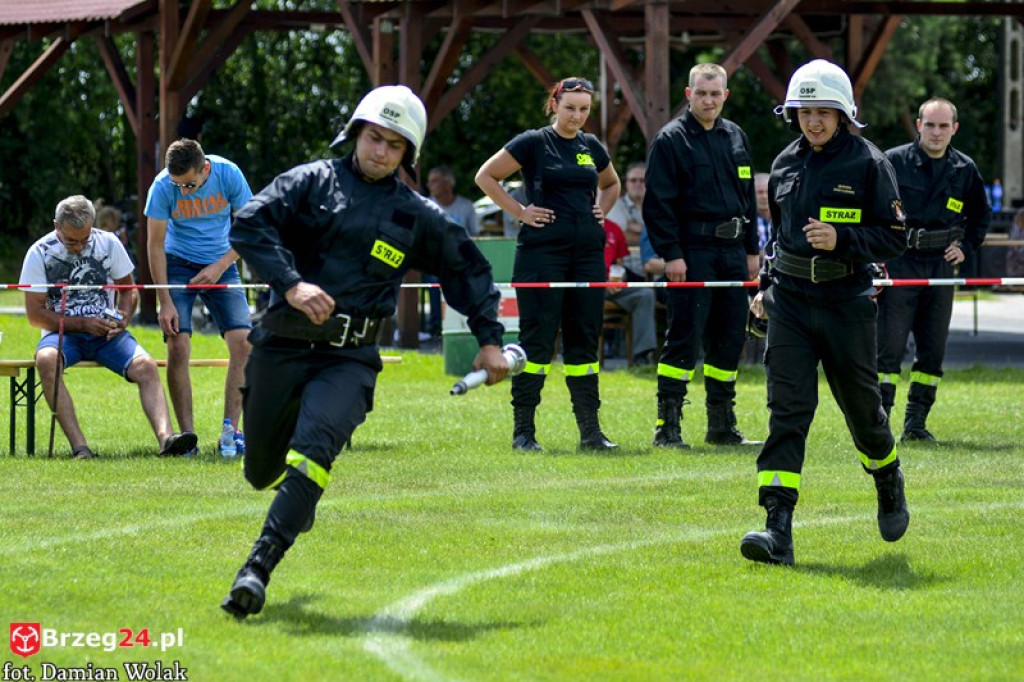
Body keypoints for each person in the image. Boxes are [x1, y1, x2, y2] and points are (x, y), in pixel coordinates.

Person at [220, 85, 509, 619]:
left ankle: (257, 567)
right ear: (355, 134)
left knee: (314, 454)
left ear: (408, 155)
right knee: (260, 472)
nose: (381, 151)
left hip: (348, 360)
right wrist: (291, 284)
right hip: (280, 345)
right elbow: (248, 224)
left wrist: (490, 340)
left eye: (395, 145)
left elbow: (468, 269)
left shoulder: (417, 215)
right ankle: (297, 497)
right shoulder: (308, 182)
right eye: (374, 138)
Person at [740, 59, 910, 566]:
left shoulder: (870, 163)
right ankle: (777, 529)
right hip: (790, 303)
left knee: (863, 412)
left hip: (845, 303)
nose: (813, 121)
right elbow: (778, 238)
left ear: (843, 114)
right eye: (804, 111)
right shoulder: (784, 163)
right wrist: (764, 288)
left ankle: (887, 477)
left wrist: (843, 239)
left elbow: (895, 238)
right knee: (786, 412)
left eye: (823, 112)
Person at [476, 75, 621, 452]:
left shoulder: (591, 145)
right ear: (555, 105)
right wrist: (520, 211)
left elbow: (612, 184)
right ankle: (524, 432)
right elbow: (485, 176)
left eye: (584, 109)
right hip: (541, 255)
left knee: (584, 340)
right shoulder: (533, 142)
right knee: (537, 342)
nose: (577, 116)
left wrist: (601, 210)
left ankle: (591, 432)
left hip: (587, 256)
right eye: (570, 108)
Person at [18, 195, 197, 459]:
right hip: (63, 334)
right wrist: (82, 324)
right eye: (71, 241)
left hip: (107, 334)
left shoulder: (109, 242)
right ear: (56, 226)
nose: (79, 247)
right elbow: (35, 315)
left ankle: (167, 440)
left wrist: (122, 318)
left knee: (146, 366)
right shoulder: (39, 253)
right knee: (46, 360)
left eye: (85, 239)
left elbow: (128, 289)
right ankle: (80, 448)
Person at [643, 63, 761, 449]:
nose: (708, 100)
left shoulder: (736, 136)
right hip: (692, 253)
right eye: (701, 93)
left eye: (715, 94)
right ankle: (667, 428)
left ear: (725, 95)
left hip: (733, 252)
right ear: (688, 95)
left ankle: (721, 426)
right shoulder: (670, 140)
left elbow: (747, 198)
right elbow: (658, 204)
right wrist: (671, 254)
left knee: (729, 337)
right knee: (684, 338)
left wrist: (752, 250)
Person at [878, 98, 991, 442]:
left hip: (941, 264)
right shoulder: (893, 161)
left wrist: (966, 247)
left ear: (954, 128)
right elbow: (872, 208)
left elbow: (981, 216)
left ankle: (916, 425)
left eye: (944, 126)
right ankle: (878, 424)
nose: (936, 132)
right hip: (900, 261)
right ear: (918, 125)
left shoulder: (964, 168)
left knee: (933, 349)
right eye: (930, 125)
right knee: (889, 349)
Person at [145, 138, 254, 457]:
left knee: (243, 343)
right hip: (177, 264)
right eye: (178, 185)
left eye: (190, 185)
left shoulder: (229, 175)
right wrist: (164, 301)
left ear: (205, 168)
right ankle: (187, 438)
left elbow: (251, 229)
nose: (184, 191)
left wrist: (220, 266)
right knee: (178, 343)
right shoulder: (162, 187)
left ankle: (231, 433)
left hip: (222, 263)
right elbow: (154, 245)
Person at [424, 166, 479, 336]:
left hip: (462, 259)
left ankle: (466, 324)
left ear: (448, 184)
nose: (429, 185)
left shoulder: (466, 206)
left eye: (434, 181)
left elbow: (476, 235)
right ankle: (436, 327)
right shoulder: (424, 205)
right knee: (434, 280)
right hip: (435, 260)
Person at [603, 218, 658, 365]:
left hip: (613, 285)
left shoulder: (614, 228)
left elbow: (618, 263)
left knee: (646, 294)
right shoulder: (579, 226)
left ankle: (642, 355)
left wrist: (618, 278)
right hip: (589, 284)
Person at [607, 161, 647, 248]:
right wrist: (652, 233)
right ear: (626, 183)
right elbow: (620, 237)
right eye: (633, 180)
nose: (638, 184)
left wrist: (633, 227)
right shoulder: (615, 205)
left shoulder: (658, 207)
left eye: (642, 180)